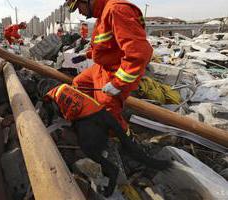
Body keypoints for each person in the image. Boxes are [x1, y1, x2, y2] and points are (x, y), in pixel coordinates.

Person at [37, 79, 171, 197]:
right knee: (124, 142)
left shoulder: (55, 94)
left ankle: (112, 170)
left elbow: (65, 111)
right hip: (100, 113)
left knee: (88, 149)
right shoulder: (64, 88)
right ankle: (142, 158)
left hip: (91, 119)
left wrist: (59, 120)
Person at [64, 0, 153, 131]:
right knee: (79, 84)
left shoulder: (116, 10)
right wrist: (87, 55)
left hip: (115, 72)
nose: (79, 11)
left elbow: (140, 53)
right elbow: (107, 46)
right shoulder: (103, 14)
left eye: (79, 6)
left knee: (108, 111)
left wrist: (118, 83)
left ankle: (122, 143)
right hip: (101, 68)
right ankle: (91, 118)